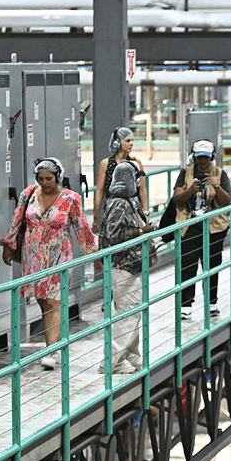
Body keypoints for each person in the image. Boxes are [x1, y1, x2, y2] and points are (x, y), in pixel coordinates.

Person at [0, 157, 97, 370]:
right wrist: (9, 245)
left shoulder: (71, 199)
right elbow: (17, 221)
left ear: (58, 177)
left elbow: (81, 228)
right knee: (44, 302)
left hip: (59, 257)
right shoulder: (29, 194)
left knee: (53, 301)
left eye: (49, 178)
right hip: (33, 256)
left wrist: (95, 251)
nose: (44, 182)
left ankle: (50, 352)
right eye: (41, 178)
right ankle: (56, 343)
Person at [95, 127, 148, 374]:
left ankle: (131, 354)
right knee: (127, 312)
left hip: (132, 264)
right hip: (122, 265)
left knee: (134, 310)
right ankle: (112, 361)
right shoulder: (117, 205)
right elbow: (115, 236)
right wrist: (141, 233)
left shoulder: (129, 203)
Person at [168, 139, 231, 320]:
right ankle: (186, 304)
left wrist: (215, 185)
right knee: (188, 265)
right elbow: (177, 199)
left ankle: (212, 301)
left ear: (211, 157)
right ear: (193, 157)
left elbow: (227, 200)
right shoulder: (186, 173)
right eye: (199, 158)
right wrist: (191, 189)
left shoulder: (220, 174)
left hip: (213, 227)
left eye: (206, 158)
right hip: (189, 226)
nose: (203, 162)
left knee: (212, 265)